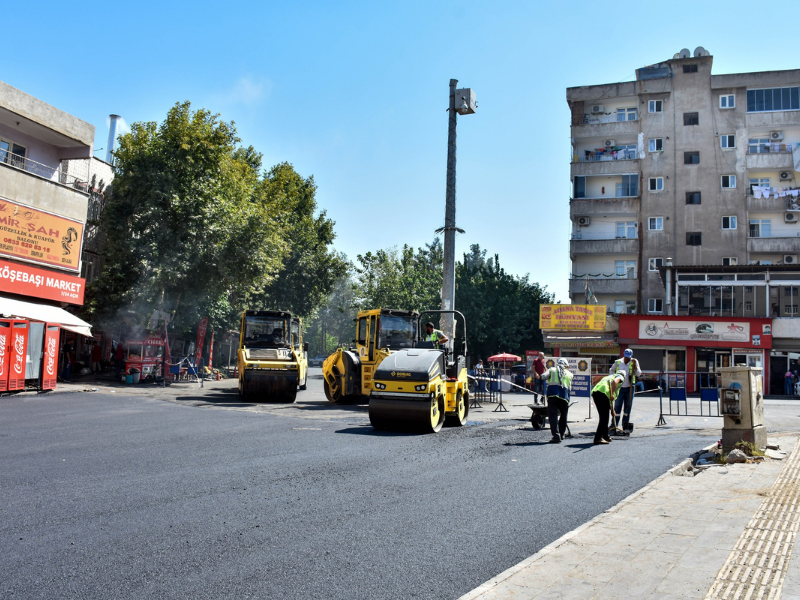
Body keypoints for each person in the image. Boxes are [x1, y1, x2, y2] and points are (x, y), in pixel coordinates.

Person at [539, 358, 573, 443]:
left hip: (552, 396)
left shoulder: (552, 370)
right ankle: (562, 434)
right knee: (564, 416)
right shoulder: (570, 374)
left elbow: (543, 377)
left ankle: (556, 436)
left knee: (553, 416)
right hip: (564, 397)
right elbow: (569, 388)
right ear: (566, 365)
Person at [610, 348, 642, 431]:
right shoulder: (618, 362)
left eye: (628, 357)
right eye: (626, 357)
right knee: (617, 407)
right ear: (623, 355)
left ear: (631, 356)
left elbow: (638, 374)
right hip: (619, 388)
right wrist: (613, 378)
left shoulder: (634, 361)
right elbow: (611, 370)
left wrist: (635, 365)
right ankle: (614, 424)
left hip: (630, 388)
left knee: (627, 407)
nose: (627, 359)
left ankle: (625, 424)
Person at [591, 373, 625, 444]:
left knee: (604, 416)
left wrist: (612, 410)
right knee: (604, 418)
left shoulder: (608, 377)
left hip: (596, 393)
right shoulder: (620, 376)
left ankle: (605, 436)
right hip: (603, 393)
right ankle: (598, 438)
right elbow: (615, 382)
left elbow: (609, 400)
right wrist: (612, 393)